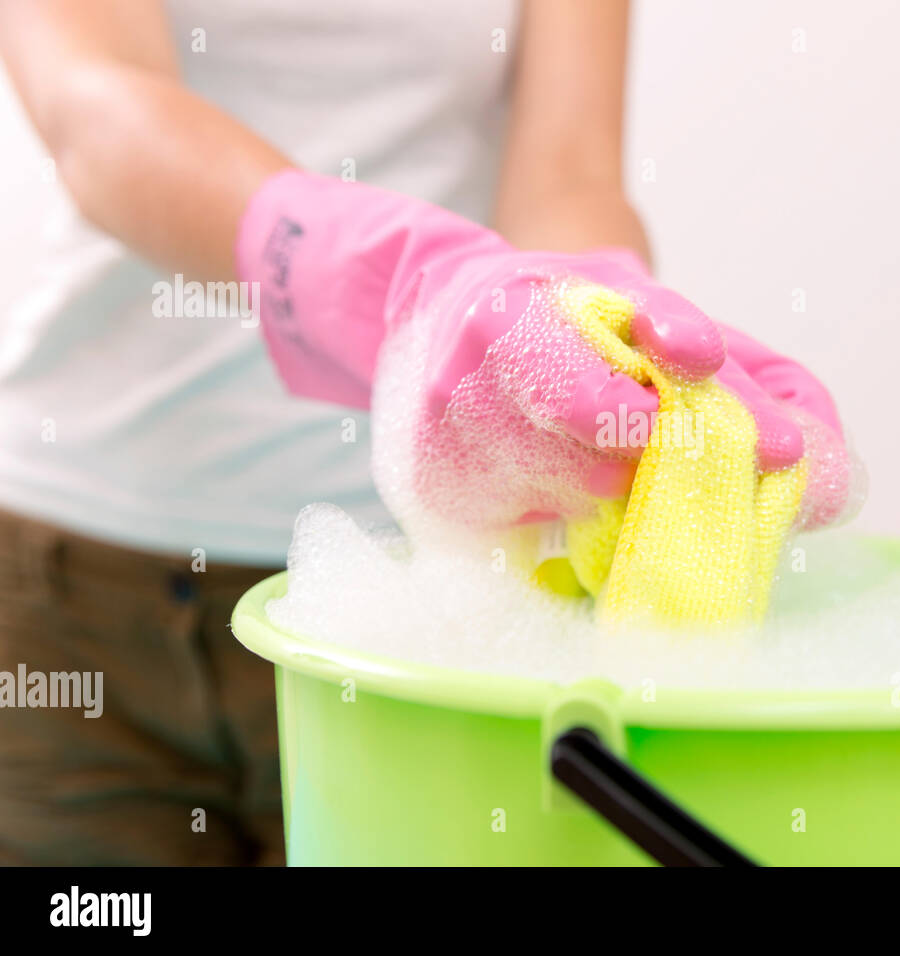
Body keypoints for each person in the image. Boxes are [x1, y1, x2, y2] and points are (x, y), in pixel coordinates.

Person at [0, 0, 850, 864]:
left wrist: (596, 318)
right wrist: (396, 276)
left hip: (404, 608)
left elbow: (568, 172)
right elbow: (91, 101)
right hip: (71, 574)